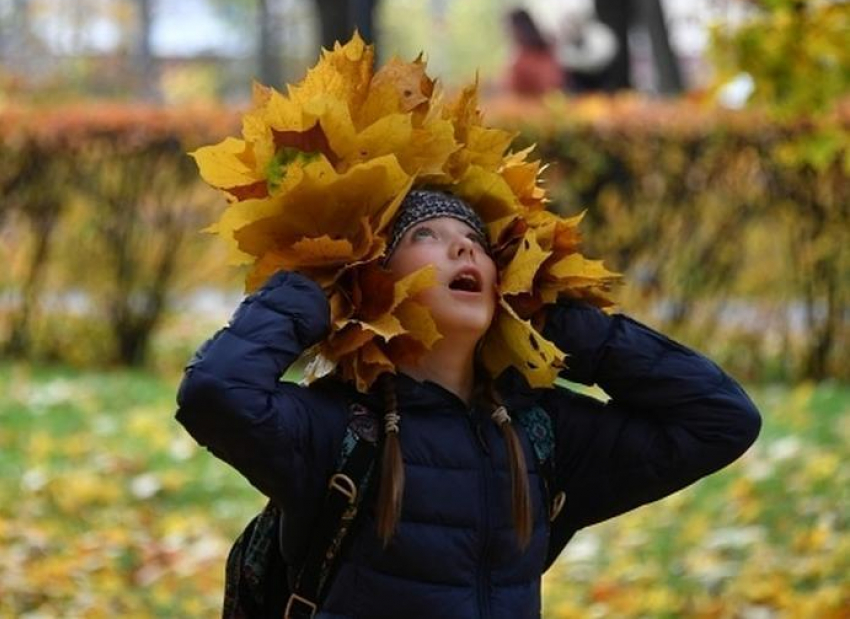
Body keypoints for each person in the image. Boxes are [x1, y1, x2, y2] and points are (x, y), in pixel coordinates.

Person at [176, 186, 761, 618]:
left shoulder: (540, 430)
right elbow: (215, 394)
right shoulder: (339, 429)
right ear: (371, 278)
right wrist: (312, 292)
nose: (464, 252)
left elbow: (720, 420)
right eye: (425, 235)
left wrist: (561, 325)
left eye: (476, 243)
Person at [505, 8, 566, 97]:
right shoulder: (523, 55)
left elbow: (551, 84)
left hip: (538, 104)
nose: (507, 34)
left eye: (509, 29)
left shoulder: (532, 56)